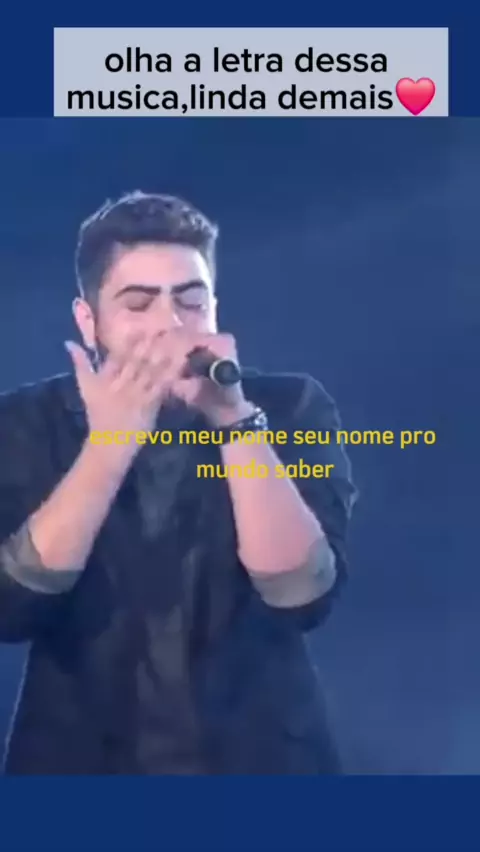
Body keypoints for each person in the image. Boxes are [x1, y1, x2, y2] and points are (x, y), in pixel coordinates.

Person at [0, 191, 357, 774]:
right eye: (138, 304)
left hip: (261, 764)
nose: (170, 324)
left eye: (190, 302)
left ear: (214, 309)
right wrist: (109, 446)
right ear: (89, 321)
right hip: (79, 766)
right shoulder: (24, 423)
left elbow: (303, 595)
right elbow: (11, 607)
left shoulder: (289, 407)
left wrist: (234, 421)